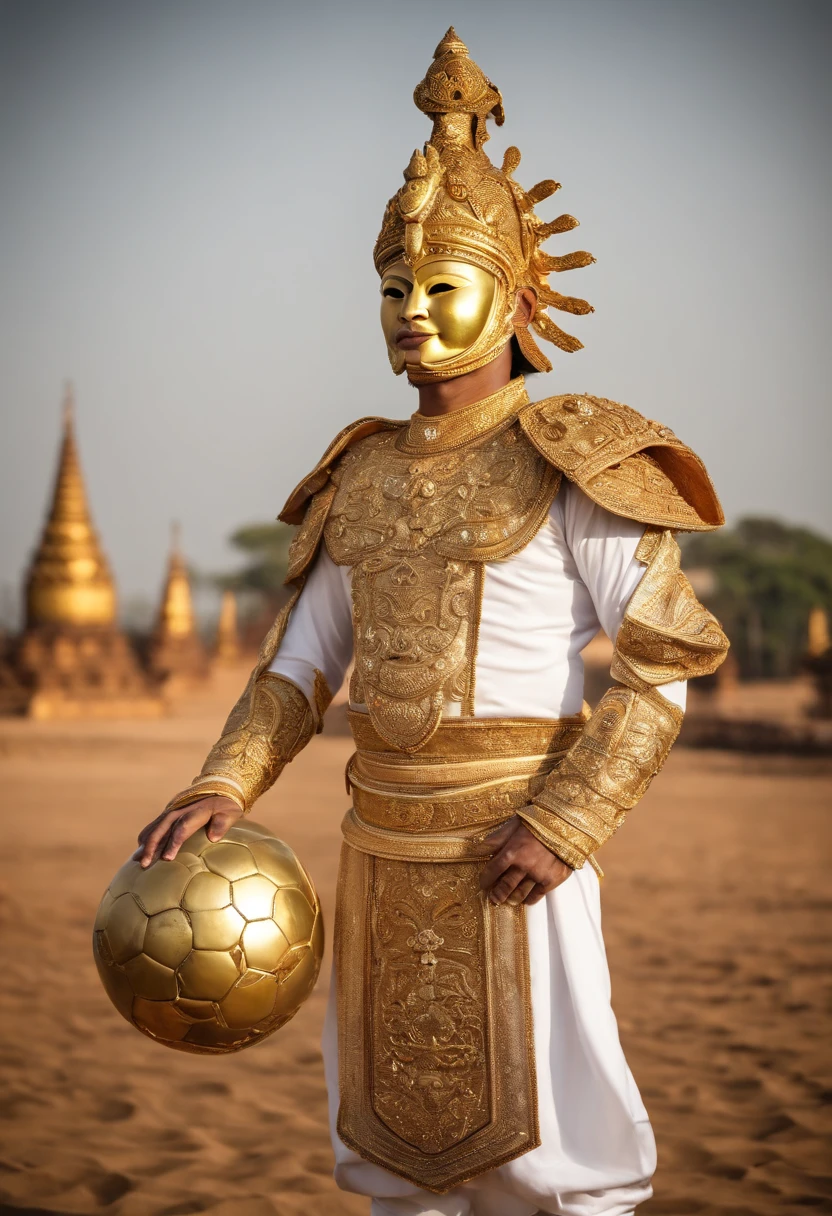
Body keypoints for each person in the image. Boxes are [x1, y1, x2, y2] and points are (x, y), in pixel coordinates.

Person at [137, 28, 729, 1216]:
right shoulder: (356, 475)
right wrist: (226, 784)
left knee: (557, 1157)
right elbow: (299, 670)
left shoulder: (572, 460)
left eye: (437, 286)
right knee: (392, 1151)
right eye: (393, 289)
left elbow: (662, 661)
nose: (409, 312)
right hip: (381, 847)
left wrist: (565, 824)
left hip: (521, 852)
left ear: (511, 298)